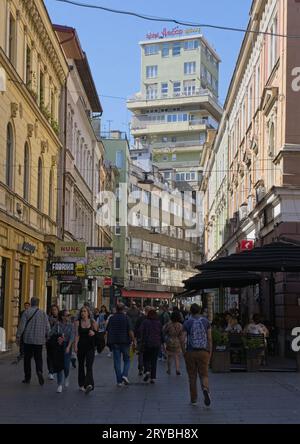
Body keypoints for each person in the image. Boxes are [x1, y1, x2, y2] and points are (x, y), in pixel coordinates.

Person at [182, 304, 212, 407]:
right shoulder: (206, 321)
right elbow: (209, 338)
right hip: (203, 351)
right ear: (199, 310)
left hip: (190, 351)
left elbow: (183, 339)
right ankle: (205, 389)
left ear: (190, 311)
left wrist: (184, 351)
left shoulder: (187, 323)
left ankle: (194, 399)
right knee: (204, 374)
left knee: (192, 376)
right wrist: (209, 350)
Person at [16, 297, 50, 386]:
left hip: (28, 340)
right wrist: (48, 336)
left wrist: (18, 336)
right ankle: (39, 371)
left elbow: (22, 325)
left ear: (31, 303)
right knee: (38, 358)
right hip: (39, 340)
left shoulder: (26, 312)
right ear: (38, 303)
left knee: (27, 359)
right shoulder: (43, 313)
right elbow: (47, 327)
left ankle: (27, 378)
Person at [106, 303, 134, 386]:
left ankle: (119, 381)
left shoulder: (112, 318)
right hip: (125, 342)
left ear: (116, 309)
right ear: (123, 309)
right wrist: (133, 340)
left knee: (117, 362)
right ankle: (124, 375)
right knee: (127, 360)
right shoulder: (126, 318)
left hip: (115, 342)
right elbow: (130, 331)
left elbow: (108, 330)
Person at [49, 309, 74, 393]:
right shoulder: (58, 324)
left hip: (67, 345)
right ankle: (59, 384)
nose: (69, 317)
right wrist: (58, 337)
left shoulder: (71, 325)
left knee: (66, 365)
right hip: (59, 346)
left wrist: (68, 346)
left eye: (69, 315)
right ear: (62, 317)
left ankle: (66, 376)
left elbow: (72, 337)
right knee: (60, 365)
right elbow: (51, 333)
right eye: (67, 315)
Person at [74, 306, 98, 394]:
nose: (83, 313)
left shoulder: (93, 322)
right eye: (81, 312)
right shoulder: (77, 322)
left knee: (89, 365)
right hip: (81, 346)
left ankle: (89, 384)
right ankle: (81, 384)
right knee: (80, 365)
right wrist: (75, 346)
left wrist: (94, 333)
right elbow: (77, 335)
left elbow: (98, 334)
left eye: (84, 311)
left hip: (90, 347)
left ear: (88, 313)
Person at [140, 309, 163, 384]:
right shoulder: (158, 323)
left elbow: (141, 331)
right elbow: (161, 333)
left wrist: (141, 340)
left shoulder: (145, 322)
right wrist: (162, 342)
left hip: (147, 343)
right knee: (154, 360)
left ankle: (147, 371)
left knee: (146, 358)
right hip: (156, 343)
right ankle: (152, 378)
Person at [163, 311, 185, 375]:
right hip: (177, 341)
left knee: (169, 356)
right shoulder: (180, 325)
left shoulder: (168, 324)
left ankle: (169, 369)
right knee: (177, 356)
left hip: (170, 340)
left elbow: (164, 330)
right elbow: (181, 334)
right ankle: (177, 369)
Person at [47, 304, 59, 380]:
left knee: (56, 356)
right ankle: (50, 372)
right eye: (53, 310)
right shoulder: (48, 319)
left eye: (55, 309)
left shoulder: (61, 319)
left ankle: (55, 369)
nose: (54, 311)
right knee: (49, 356)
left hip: (58, 339)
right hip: (50, 339)